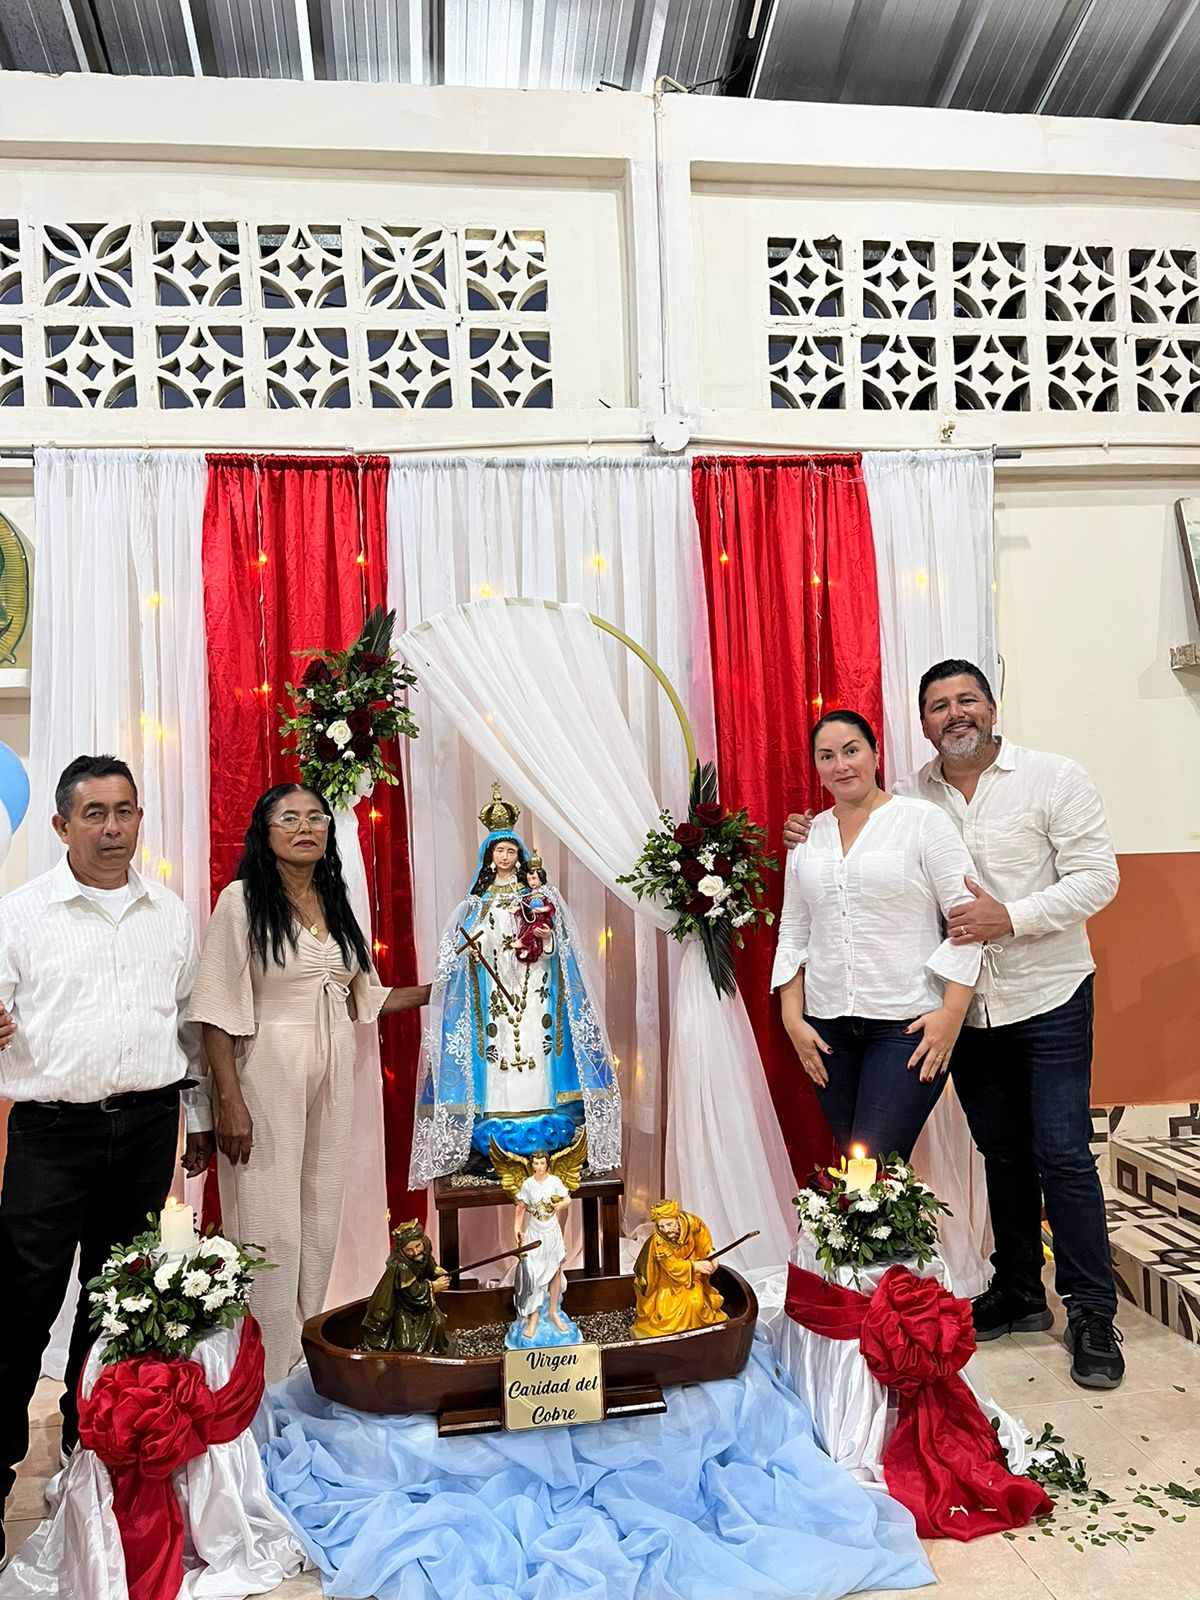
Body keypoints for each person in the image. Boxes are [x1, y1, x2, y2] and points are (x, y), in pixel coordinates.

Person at [784, 661, 1123, 1390]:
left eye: (967, 699)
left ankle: (1093, 1311)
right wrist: (807, 831)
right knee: (999, 1150)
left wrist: (1012, 917)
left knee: (1062, 1152)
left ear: (992, 708)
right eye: (938, 706)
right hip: (964, 1009)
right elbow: (858, 832)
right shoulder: (912, 797)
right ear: (923, 724)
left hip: (1047, 992)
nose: (954, 713)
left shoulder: (1053, 778)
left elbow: (1099, 878)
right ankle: (1020, 1290)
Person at [0, 754, 209, 1558]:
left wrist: (196, 1121)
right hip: (51, 1134)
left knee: (116, 1300)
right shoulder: (21, 915)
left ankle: (91, 1455)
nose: (113, 827)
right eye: (94, 813)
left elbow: (188, 1028)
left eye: (125, 811)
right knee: (21, 1304)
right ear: (61, 826)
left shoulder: (170, 914)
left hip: (149, 1125)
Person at [186, 783, 430, 1383]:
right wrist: (227, 1101)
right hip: (265, 1068)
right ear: (265, 832)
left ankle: (299, 1363)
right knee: (268, 1223)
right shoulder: (241, 901)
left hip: (333, 1068)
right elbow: (214, 1010)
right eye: (289, 818)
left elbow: (365, 997)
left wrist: (445, 990)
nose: (306, 828)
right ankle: (263, 1379)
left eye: (316, 818)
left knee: (319, 1217)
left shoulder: (334, 897)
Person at [773, 710, 983, 1163]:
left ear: (875, 753)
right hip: (827, 1028)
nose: (841, 765)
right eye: (827, 756)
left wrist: (951, 1014)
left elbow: (968, 920)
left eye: (851, 751)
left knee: (873, 1166)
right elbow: (793, 930)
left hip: (905, 1024)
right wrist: (793, 1018)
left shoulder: (922, 820)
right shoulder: (808, 837)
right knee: (857, 1173)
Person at [409, 785, 620, 1184]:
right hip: (493, 992)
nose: (504, 857)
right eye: (498, 851)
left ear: (519, 856)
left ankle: (542, 1118)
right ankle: (495, 1122)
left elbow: (558, 946)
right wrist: (472, 951)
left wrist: (545, 939)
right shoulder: (477, 902)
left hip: (534, 985)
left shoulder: (535, 897)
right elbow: (468, 942)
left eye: (510, 851)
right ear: (488, 857)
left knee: (536, 1046)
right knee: (498, 1050)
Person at [632, 1198, 726, 1338]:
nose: (666, 1230)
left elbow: (703, 1239)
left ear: (677, 1218)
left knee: (696, 1303)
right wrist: (695, 1266)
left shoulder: (692, 1223)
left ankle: (697, 1336)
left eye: (669, 1224)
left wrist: (710, 1253)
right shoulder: (659, 1240)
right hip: (667, 1280)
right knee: (663, 1316)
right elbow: (671, 1266)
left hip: (691, 1278)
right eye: (661, 1226)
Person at [359, 1220, 450, 1355]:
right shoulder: (400, 1265)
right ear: (401, 1250)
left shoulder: (425, 1244)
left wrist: (435, 1269)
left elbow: (427, 1261)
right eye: (409, 1250)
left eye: (418, 1246)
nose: (415, 1252)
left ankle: (436, 1355)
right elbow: (414, 1292)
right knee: (406, 1345)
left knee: (438, 1322)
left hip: (423, 1305)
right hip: (404, 1306)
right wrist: (434, 1286)